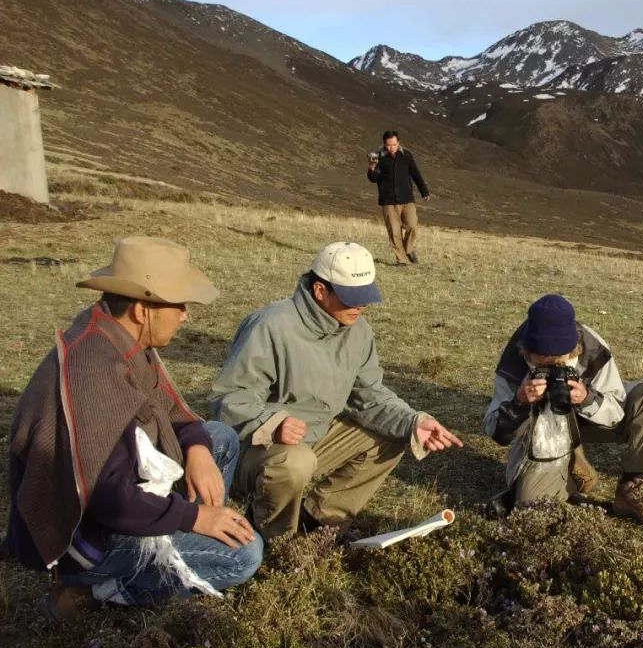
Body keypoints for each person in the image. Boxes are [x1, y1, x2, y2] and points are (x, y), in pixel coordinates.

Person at [5, 237, 262, 616]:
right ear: (143, 310)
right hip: (84, 531)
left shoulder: (117, 336)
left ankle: (186, 539)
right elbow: (108, 498)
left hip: (123, 491)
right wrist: (194, 517)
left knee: (217, 439)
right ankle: (93, 591)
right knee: (244, 556)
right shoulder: (95, 370)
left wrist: (197, 450)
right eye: (179, 305)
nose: (185, 315)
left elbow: (171, 409)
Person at [210, 241, 462, 541]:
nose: (361, 306)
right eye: (351, 298)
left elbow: (369, 397)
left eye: (365, 297)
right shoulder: (271, 325)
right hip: (258, 451)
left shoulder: (358, 331)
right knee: (295, 462)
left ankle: (317, 524)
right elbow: (229, 400)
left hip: (316, 440)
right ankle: (276, 541)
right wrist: (274, 423)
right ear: (319, 290)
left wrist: (413, 421)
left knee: (393, 434)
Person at [482, 294, 643, 524]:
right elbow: (495, 431)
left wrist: (587, 398)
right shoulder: (513, 356)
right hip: (544, 434)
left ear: (574, 347)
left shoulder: (593, 347)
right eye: (543, 365)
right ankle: (567, 466)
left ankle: (631, 486)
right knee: (532, 508)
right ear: (527, 351)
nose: (552, 371)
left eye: (560, 363)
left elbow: (616, 410)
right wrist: (520, 402)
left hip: (588, 418)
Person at [367, 129, 431, 265]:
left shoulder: (406, 155)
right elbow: (374, 179)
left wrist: (424, 191)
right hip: (388, 201)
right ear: (384, 144)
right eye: (389, 145)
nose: (392, 148)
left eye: (394, 144)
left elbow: (415, 174)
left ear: (398, 143)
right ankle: (402, 260)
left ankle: (408, 250)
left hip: (407, 199)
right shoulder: (379, 158)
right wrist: (372, 168)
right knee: (394, 232)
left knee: (412, 226)